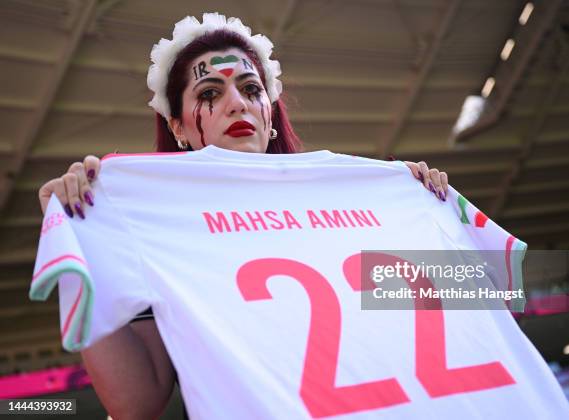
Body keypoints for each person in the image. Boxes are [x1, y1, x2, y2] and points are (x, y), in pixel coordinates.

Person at [37, 13, 449, 419]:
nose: (237, 104)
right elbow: (136, 405)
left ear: (269, 114)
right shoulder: (153, 227)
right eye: (210, 94)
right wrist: (76, 241)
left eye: (251, 89)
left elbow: (467, 299)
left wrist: (422, 220)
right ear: (177, 125)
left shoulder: (356, 203)